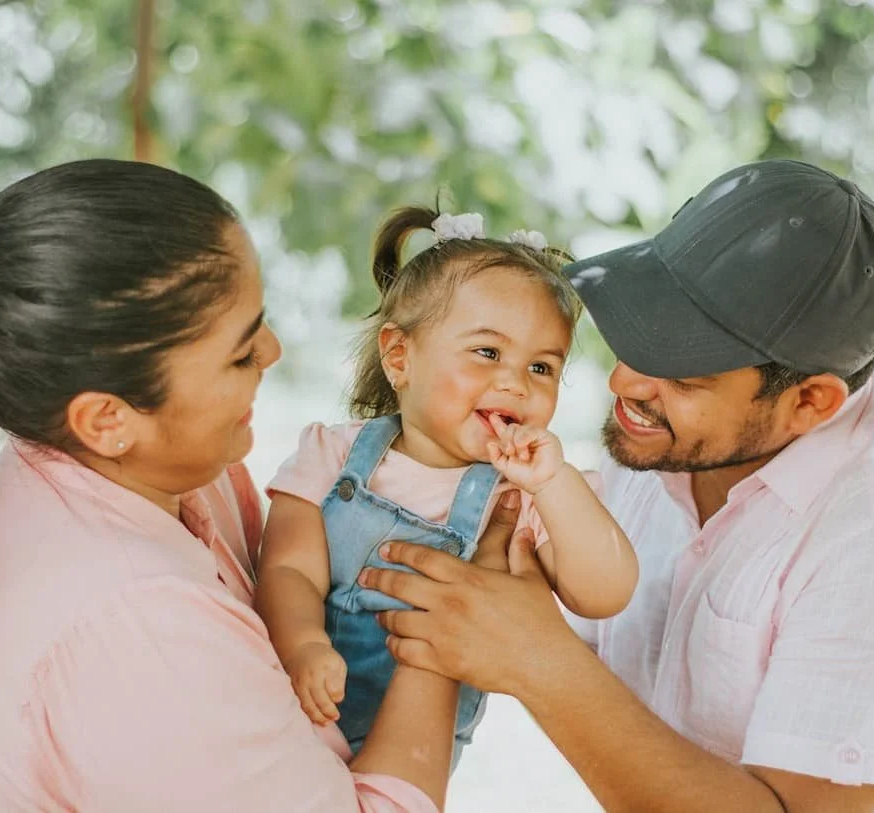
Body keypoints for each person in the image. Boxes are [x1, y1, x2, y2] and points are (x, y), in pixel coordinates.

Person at [0, 159, 481, 811]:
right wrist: (441, 624)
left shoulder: (141, 460)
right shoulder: (138, 627)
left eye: (260, 319)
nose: (274, 350)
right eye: (239, 351)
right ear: (107, 417)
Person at [364, 159, 874, 813]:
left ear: (810, 402)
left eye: (684, 375)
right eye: (642, 333)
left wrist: (539, 659)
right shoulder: (671, 438)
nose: (624, 384)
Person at [256, 207, 637, 762]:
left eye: (542, 367)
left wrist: (554, 484)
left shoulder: (525, 493)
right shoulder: (333, 454)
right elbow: (287, 567)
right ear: (399, 356)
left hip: (418, 750)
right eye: (488, 352)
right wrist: (303, 644)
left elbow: (605, 593)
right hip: (296, 711)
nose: (514, 382)